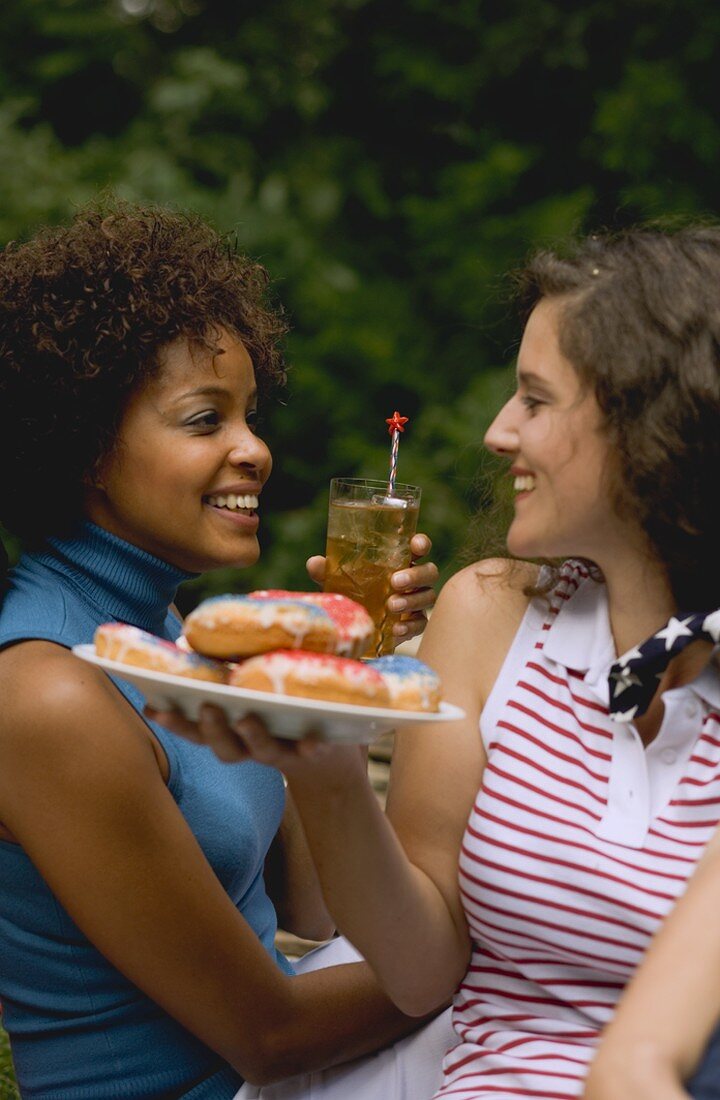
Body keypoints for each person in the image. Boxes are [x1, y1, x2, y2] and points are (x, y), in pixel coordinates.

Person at [161, 225, 720, 1099]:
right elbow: (423, 972)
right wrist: (323, 760)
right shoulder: (492, 615)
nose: (498, 433)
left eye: (536, 400)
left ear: (654, 426)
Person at [0, 200, 452, 1100]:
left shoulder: (165, 640)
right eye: (207, 421)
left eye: (250, 416)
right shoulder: (47, 694)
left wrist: (337, 678)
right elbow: (271, 1037)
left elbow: (317, 913)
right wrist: (490, 953)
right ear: (87, 448)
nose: (256, 450)